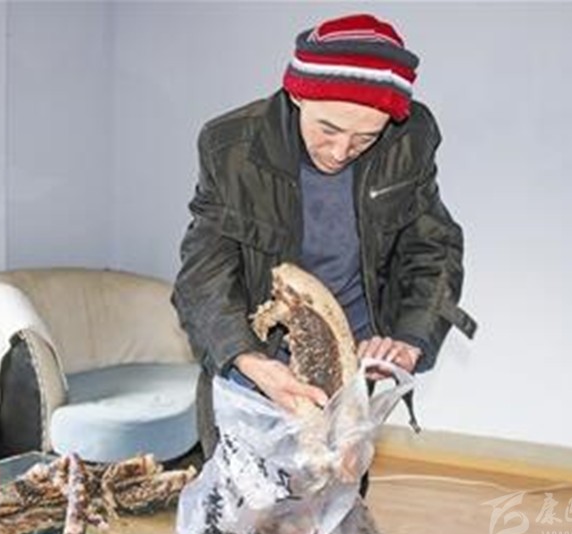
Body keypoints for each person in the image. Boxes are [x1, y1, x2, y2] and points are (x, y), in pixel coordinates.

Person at [172, 13, 476, 476]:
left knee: (336, 496)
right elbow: (203, 271)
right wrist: (247, 359)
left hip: (351, 362)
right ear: (297, 95)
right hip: (254, 361)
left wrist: (411, 339)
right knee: (243, 506)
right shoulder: (230, 146)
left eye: (365, 138)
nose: (339, 152)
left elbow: (434, 250)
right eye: (328, 129)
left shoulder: (409, 140)